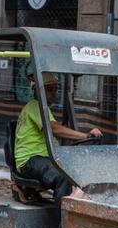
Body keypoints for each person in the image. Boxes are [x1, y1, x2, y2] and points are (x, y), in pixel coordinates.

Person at [14, 72, 101, 202]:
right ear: (38, 90)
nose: (54, 93)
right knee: (63, 177)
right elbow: (54, 129)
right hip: (30, 159)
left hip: (43, 158)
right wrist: (85, 136)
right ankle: (63, 219)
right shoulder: (35, 106)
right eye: (49, 89)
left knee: (78, 170)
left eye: (56, 89)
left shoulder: (43, 109)